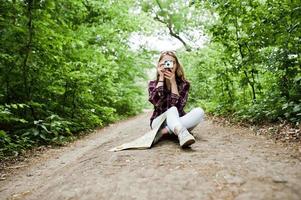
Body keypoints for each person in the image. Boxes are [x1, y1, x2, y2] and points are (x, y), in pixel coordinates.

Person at [148, 50, 205, 148]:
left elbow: (179, 107)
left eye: (172, 62)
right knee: (172, 110)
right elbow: (156, 102)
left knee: (199, 111)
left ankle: (166, 132)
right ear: (160, 65)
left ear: (176, 65)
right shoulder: (153, 84)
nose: (168, 65)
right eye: (165, 62)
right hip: (158, 123)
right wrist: (161, 79)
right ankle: (180, 133)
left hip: (176, 120)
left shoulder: (184, 84)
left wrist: (173, 82)